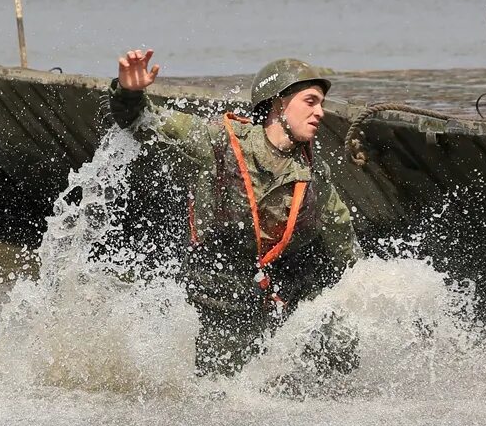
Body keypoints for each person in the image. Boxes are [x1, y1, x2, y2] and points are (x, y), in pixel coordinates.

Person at [110, 48, 361, 380]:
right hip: (217, 295)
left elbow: (344, 241)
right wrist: (130, 92)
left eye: (322, 104)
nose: (321, 113)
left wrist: (373, 291)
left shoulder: (315, 173)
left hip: (282, 291)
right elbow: (145, 121)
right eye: (310, 101)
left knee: (343, 339)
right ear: (278, 103)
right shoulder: (216, 142)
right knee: (218, 390)